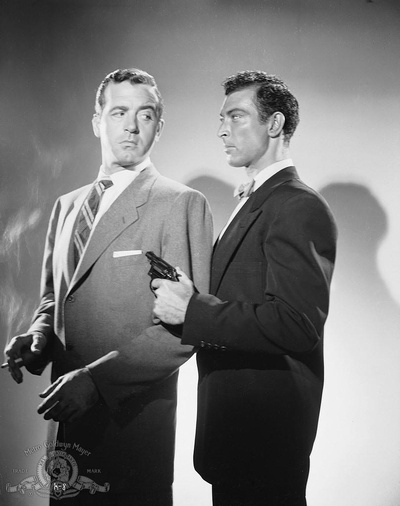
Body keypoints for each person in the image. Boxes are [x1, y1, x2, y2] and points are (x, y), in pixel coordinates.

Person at [4, 68, 213, 505]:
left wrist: (96, 381)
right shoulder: (67, 205)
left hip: (130, 434)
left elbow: (184, 328)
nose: (132, 126)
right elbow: (55, 298)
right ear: (97, 121)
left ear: (159, 127)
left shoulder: (181, 203)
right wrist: (39, 337)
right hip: (66, 435)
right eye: (119, 112)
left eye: (146, 115)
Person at [152, 71, 337, 506]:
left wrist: (193, 310)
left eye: (235, 117)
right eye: (222, 119)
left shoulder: (298, 204)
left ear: (275, 124)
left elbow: (296, 324)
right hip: (240, 437)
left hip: (264, 440)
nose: (222, 130)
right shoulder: (258, 200)